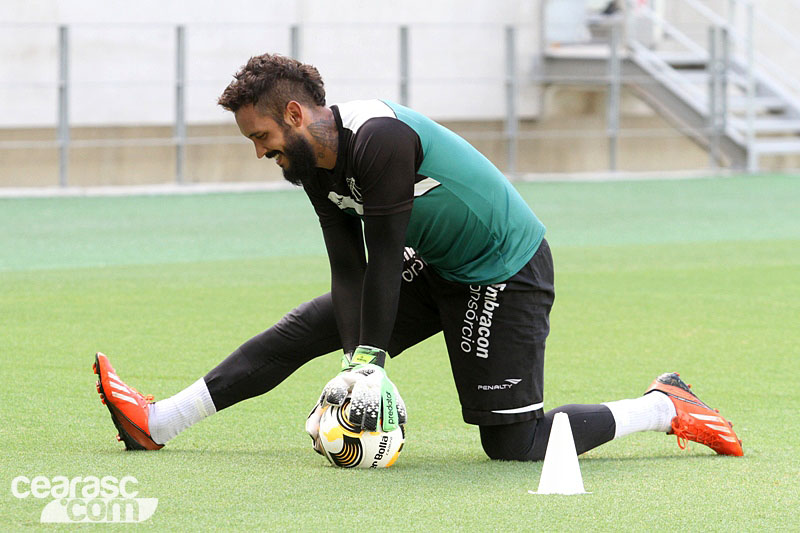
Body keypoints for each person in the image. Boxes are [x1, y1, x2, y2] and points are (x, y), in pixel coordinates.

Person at [92, 53, 743, 460]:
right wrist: (357, 353)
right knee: (310, 324)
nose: (259, 151)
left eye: (261, 135)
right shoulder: (309, 167)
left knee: (514, 443)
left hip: (503, 268)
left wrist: (368, 362)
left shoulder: (380, 139)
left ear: (294, 113)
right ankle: (157, 421)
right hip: (439, 262)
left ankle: (665, 405)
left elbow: (381, 258)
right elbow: (348, 269)